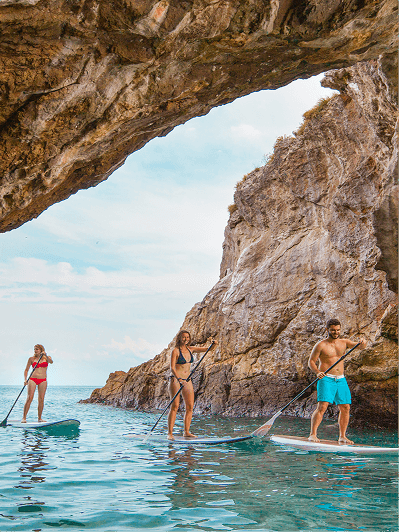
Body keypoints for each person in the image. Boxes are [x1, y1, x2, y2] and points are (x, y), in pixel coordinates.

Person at [308, 319, 366, 444]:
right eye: (333, 330)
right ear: (327, 329)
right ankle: (313, 434)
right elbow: (311, 361)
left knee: (345, 407)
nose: (336, 332)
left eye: (338, 330)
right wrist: (317, 372)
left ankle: (342, 436)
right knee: (322, 407)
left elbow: (361, 346)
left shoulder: (344, 342)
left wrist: (363, 342)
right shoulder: (320, 345)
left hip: (341, 379)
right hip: (326, 378)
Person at [168, 331, 217, 440]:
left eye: (187, 337)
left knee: (190, 407)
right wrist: (179, 379)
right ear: (179, 338)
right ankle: (170, 434)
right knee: (175, 407)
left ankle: (186, 432)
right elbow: (172, 368)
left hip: (188, 380)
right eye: (183, 337)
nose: (185, 339)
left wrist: (214, 344)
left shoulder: (191, 349)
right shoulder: (175, 351)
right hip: (176, 380)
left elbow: (208, 349)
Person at [22, 344, 53, 423]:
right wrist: (25, 379)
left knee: (41, 399)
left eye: (37, 349)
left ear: (41, 350)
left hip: (43, 380)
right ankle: (24, 418)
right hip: (32, 379)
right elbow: (26, 370)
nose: (35, 351)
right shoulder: (31, 359)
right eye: (34, 349)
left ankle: (39, 418)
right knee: (30, 398)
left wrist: (45, 354)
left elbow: (51, 362)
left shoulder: (47, 358)